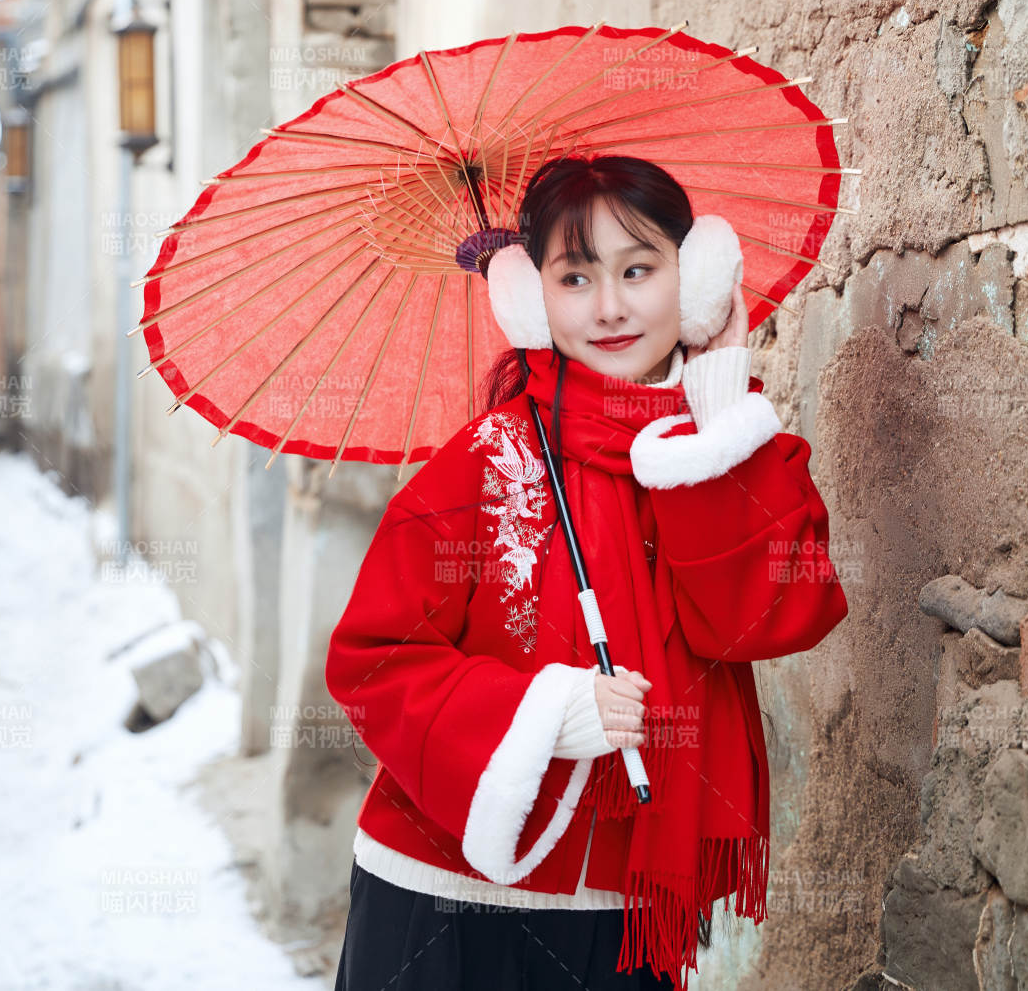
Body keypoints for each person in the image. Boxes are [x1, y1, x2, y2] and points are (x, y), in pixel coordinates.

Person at [325, 154, 850, 991]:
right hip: (447, 904)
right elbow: (371, 659)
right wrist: (549, 712)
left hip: (623, 918)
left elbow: (774, 616)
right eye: (575, 277)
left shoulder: (724, 448)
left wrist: (716, 426)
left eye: (639, 270)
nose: (610, 308)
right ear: (532, 300)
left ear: (699, 276)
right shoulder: (485, 463)